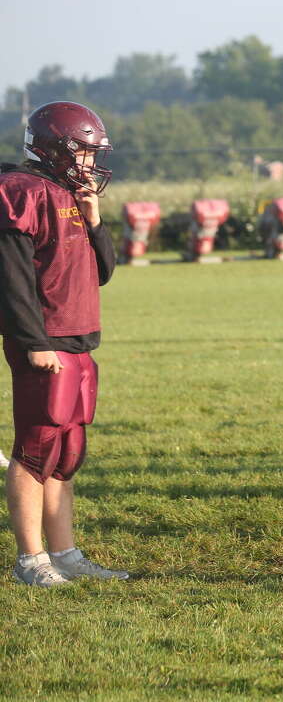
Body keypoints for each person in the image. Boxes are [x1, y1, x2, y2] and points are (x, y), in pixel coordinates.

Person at [0, 101, 128, 586]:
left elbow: (104, 272)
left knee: (67, 450)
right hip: (44, 338)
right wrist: (32, 340)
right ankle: (30, 561)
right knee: (35, 447)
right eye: (84, 152)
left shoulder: (69, 193)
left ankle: (65, 553)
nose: (91, 163)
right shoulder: (20, 191)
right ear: (56, 148)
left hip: (77, 338)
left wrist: (95, 219)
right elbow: (11, 278)